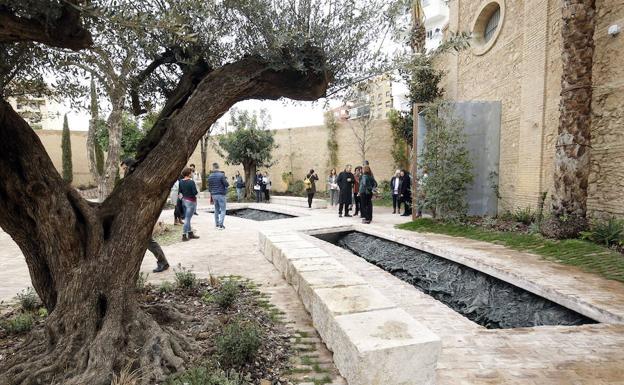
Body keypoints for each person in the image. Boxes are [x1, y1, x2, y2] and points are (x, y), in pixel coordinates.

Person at [119, 158, 170, 273]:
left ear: (129, 167)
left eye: (124, 168)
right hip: (137, 214)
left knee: (148, 240)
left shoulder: (136, 178)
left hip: (141, 214)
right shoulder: (135, 177)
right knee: (142, 240)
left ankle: (163, 262)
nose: (123, 171)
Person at [179, 167, 200, 241]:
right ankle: (184, 235)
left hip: (184, 201)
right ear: (188, 173)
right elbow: (195, 192)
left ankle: (190, 233)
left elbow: (180, 191)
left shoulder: (181, 181)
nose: (192, 173)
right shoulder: (191, 182)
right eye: (191, 172)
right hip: (191, 201)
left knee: (187, 218)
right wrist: (197, 193)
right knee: (187, 219)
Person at [208, 162, 229, 229]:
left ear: (213, 167)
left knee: (216, 209)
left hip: (214, 195)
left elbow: (209, 186)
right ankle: (221, 225)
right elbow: (226, 184)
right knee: (223, 210)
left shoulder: (210, 176)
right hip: (221, 194)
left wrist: (211, 192)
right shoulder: (221, 175)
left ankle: (216, 224)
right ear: (218, 167)